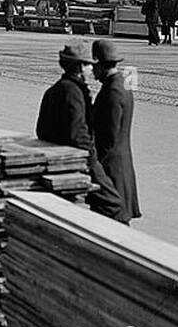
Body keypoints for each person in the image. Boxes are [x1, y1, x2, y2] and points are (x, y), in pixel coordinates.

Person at [36, 42, 123, 216]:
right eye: (89, 64)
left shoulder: (59, 88)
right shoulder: (73, 92)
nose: (92, 69)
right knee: (113, 202)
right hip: (78, 159)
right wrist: (93, 162)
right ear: (80, 67)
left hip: (60, 157)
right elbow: (78, 134)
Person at [89, 39, 141, 224]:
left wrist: (95, 169)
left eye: (93, 67)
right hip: (120, 164)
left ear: (100, 65)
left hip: (112, 170)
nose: (92, 72)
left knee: (114, 224)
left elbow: (107, 138)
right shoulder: (121, 85)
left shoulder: (112, 92)